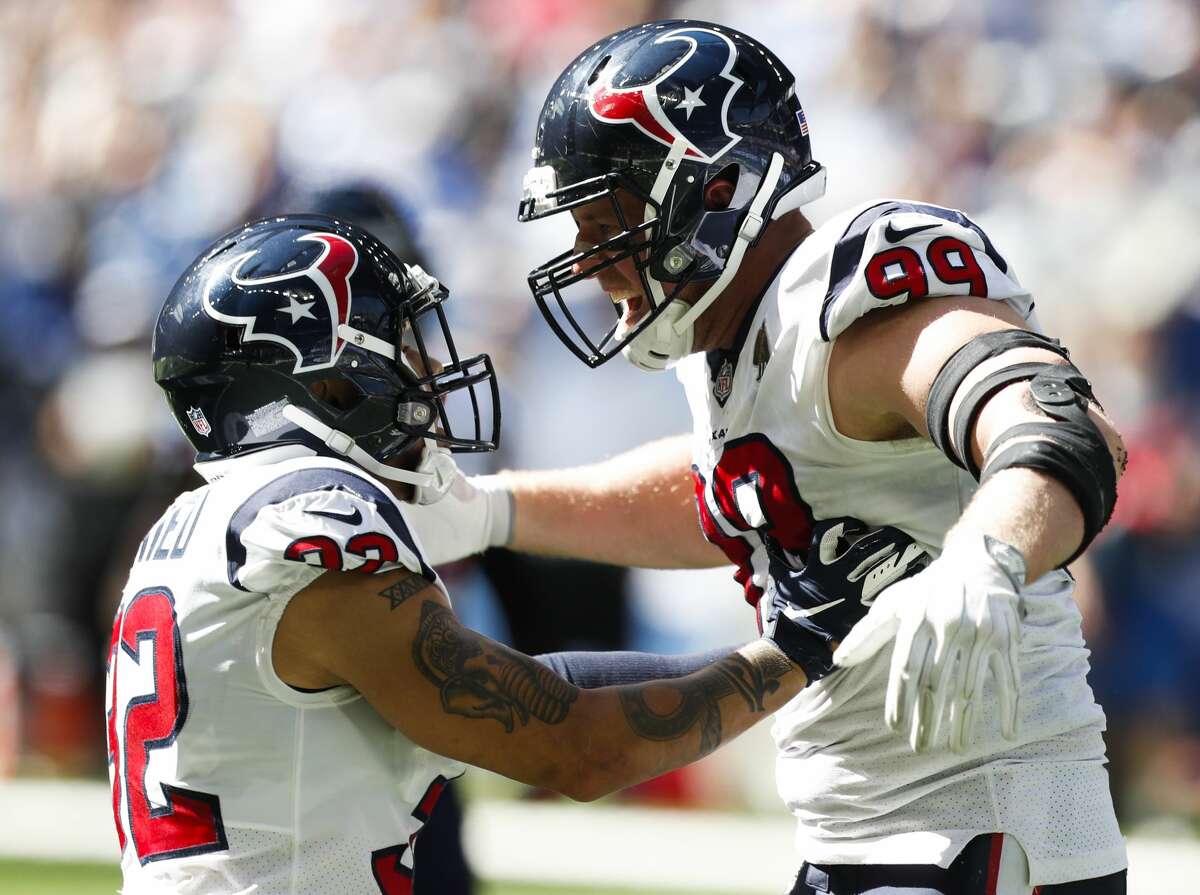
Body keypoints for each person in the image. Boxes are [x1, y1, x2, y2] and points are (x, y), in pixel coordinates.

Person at [403, 19, 1130, 895]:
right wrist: (493, 508)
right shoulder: (736, 341)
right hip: (871, 835)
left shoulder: (844, 298)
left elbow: (1058, 421)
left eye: (609, 223)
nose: (595, 265)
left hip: (988, 828)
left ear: (715, 190)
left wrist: (990, 551)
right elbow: (736, 493)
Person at [105, 213, 905, 894]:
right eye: (393, 344)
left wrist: (772, 646)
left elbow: (527, 687)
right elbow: (573, 746)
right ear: (328, 383)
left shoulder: (196, 527)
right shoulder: (314, 519)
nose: (422, 368)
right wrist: (809, 642)